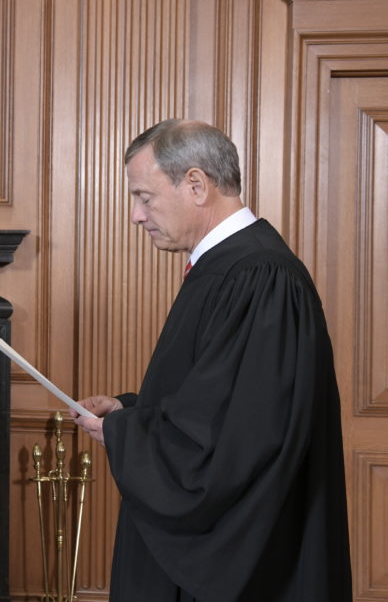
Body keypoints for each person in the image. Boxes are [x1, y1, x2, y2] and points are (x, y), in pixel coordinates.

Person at [71, 120, 352, 601]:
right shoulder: (231, 268)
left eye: (144, 196)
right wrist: (130, 415)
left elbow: (240, 438)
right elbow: (211, 399)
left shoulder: (259, 276)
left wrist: (126, 435)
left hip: (253, 561)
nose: (137, 216)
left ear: (196, 185)